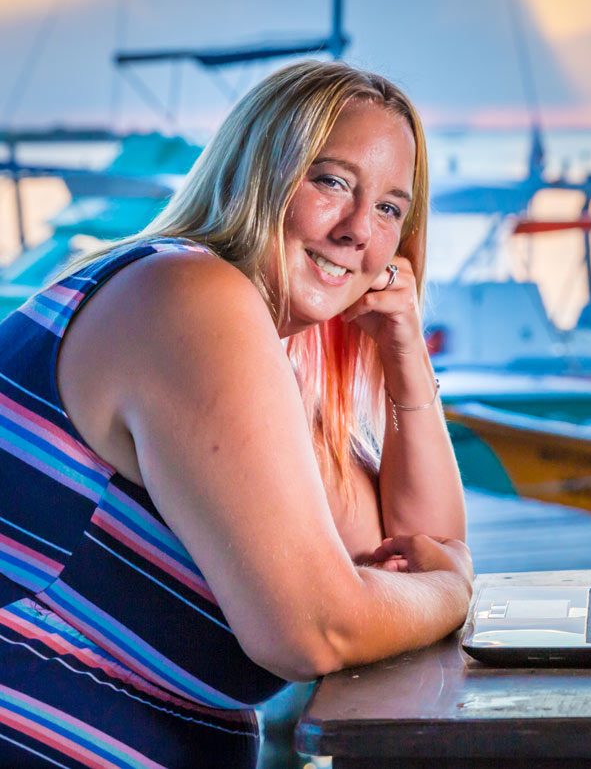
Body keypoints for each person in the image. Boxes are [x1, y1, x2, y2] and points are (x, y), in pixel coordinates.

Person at [0, 61, 473, 767]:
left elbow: (415, 549)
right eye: (333, 181)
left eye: (389, 209)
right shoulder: (187, 294)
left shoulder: (267, 355)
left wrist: (404, 352)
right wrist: (453, 592)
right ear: (258, 172)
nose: (357, 232)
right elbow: (313, 629)